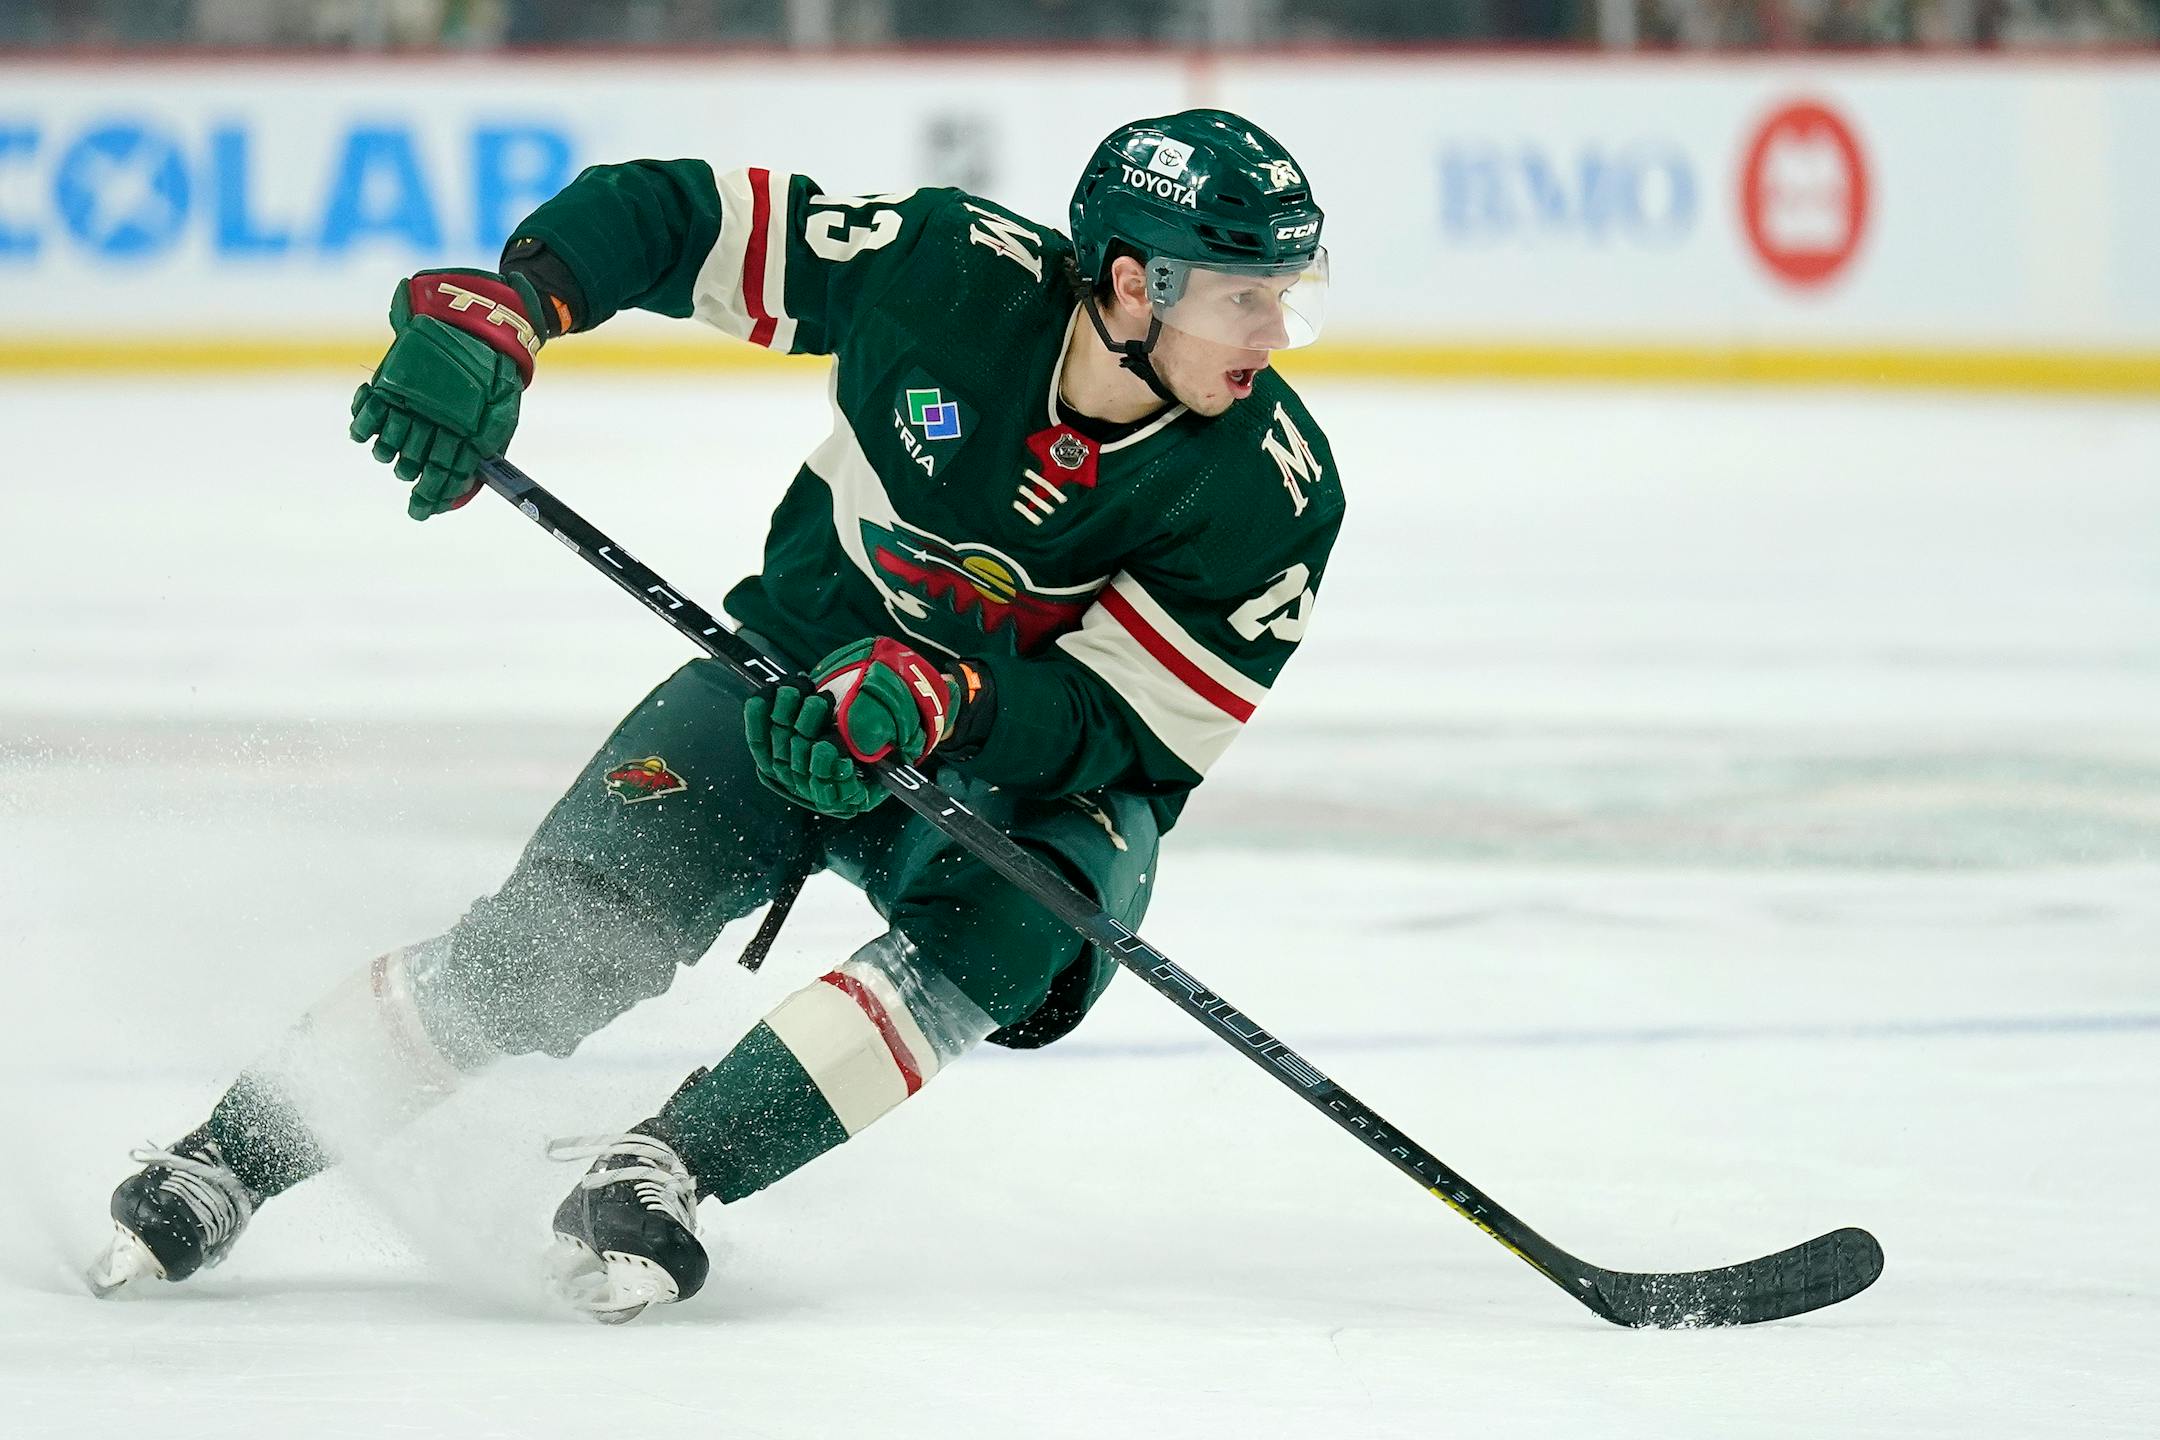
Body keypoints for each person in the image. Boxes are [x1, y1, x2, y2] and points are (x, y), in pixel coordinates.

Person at [89, 108, 1344, 1322]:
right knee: (550, 955)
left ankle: (668, 1168)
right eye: (1249, 293)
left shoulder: (1270, 493)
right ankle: (231, 1154)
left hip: (1000, 766)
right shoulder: (948, 272)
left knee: (1029, 917)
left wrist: (949, 697)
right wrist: (518, 302)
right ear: (1135, 282)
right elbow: (681, 215)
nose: (1277, 329)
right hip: (783, 680)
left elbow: (1133, 733)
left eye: (1291, 290)